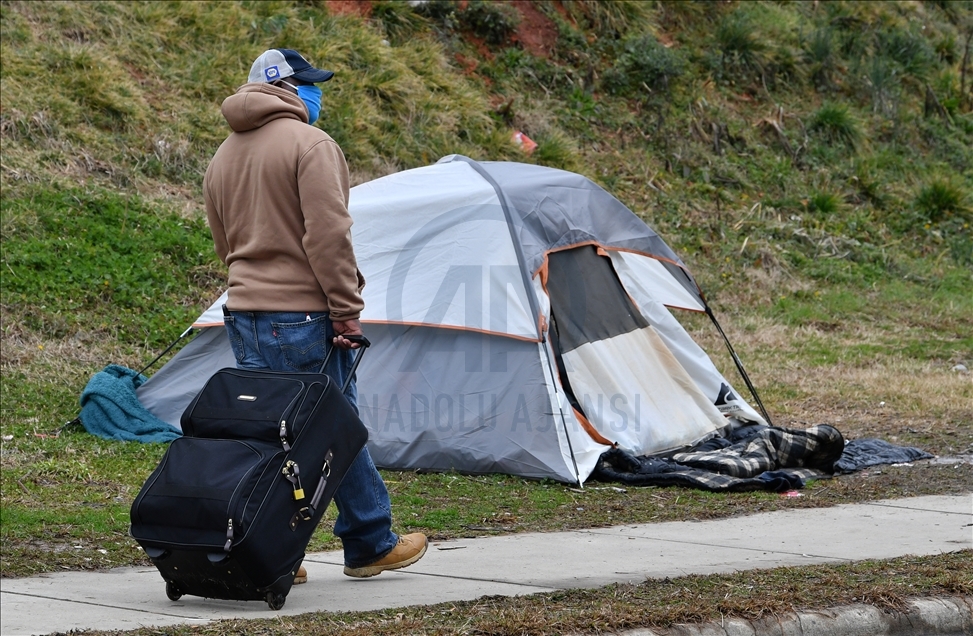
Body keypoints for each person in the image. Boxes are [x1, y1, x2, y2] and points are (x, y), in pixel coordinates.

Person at [202, 48, 427, 583]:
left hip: (245, 312)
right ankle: (368, 540)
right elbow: (327, 236)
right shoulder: (312, 145)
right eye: (309, 84)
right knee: (331, 429)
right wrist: (346, 311)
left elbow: (222, 240)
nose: (316, 93)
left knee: (269, 432)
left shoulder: (224, 155)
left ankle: (274, 548)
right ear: (284, 87)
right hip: (302, 316)